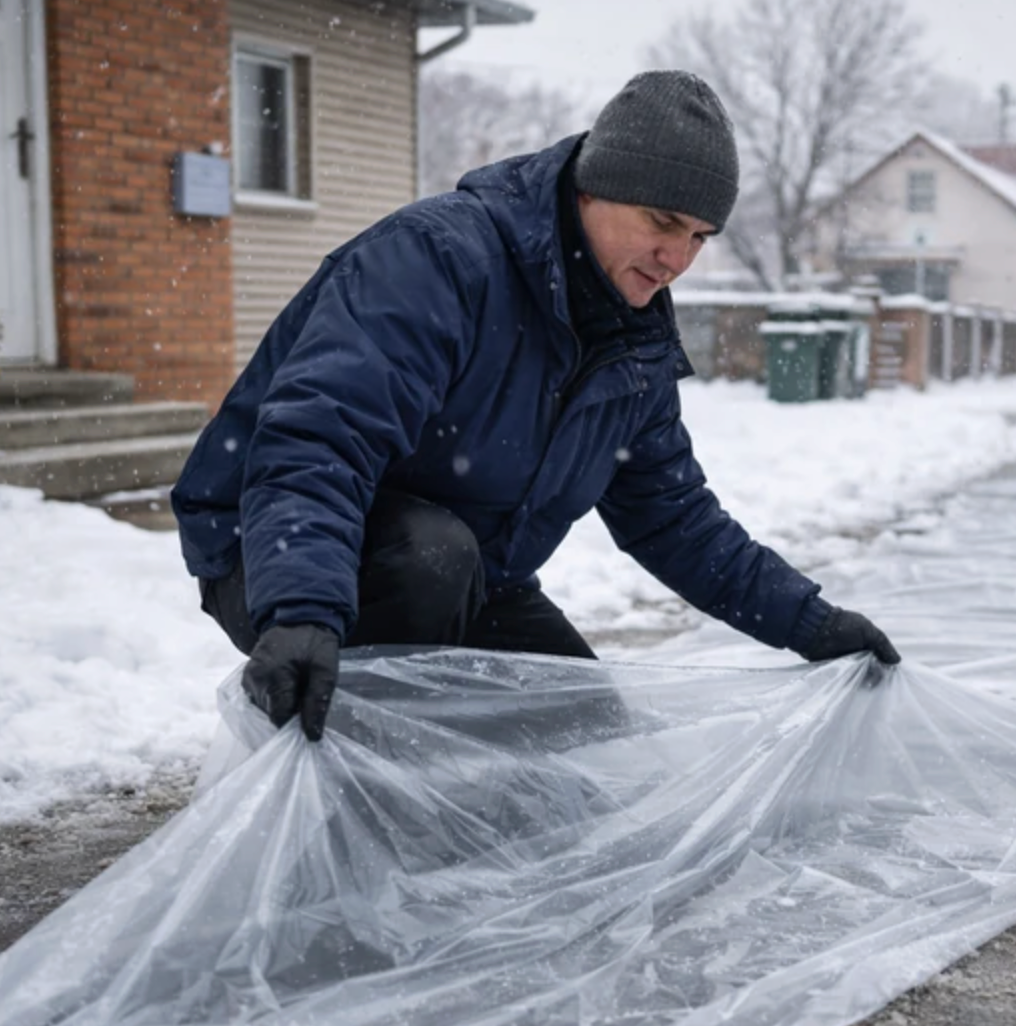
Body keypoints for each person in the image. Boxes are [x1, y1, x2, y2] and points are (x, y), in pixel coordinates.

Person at [172, 70, 900, 742]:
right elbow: (320, 439)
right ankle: (372, 814)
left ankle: (454, 818)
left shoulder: (631, 342)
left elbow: (674, 518)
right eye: (661, 221)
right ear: (590, 189)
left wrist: (810, 622)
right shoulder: (439, 263)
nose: (677, 259)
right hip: (277, 549)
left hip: (468, 576)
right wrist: (301, 608)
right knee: (430, 580)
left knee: (588, 741)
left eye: (699, 238)